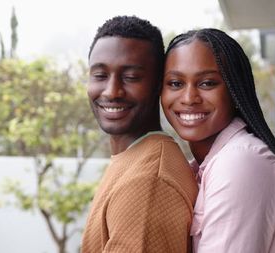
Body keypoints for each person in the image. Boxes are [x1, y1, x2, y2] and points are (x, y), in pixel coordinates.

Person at [161, 28, 275, 253]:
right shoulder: (205, 166)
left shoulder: (240, 162)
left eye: (207, 83)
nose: (189, 98)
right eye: (175, 83)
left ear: (234, 90)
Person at [81, 16, 198, 253]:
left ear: (158, 85)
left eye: (131, 77)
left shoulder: (148, 181)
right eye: (100, 75)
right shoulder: (134, 158)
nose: (112, 91)